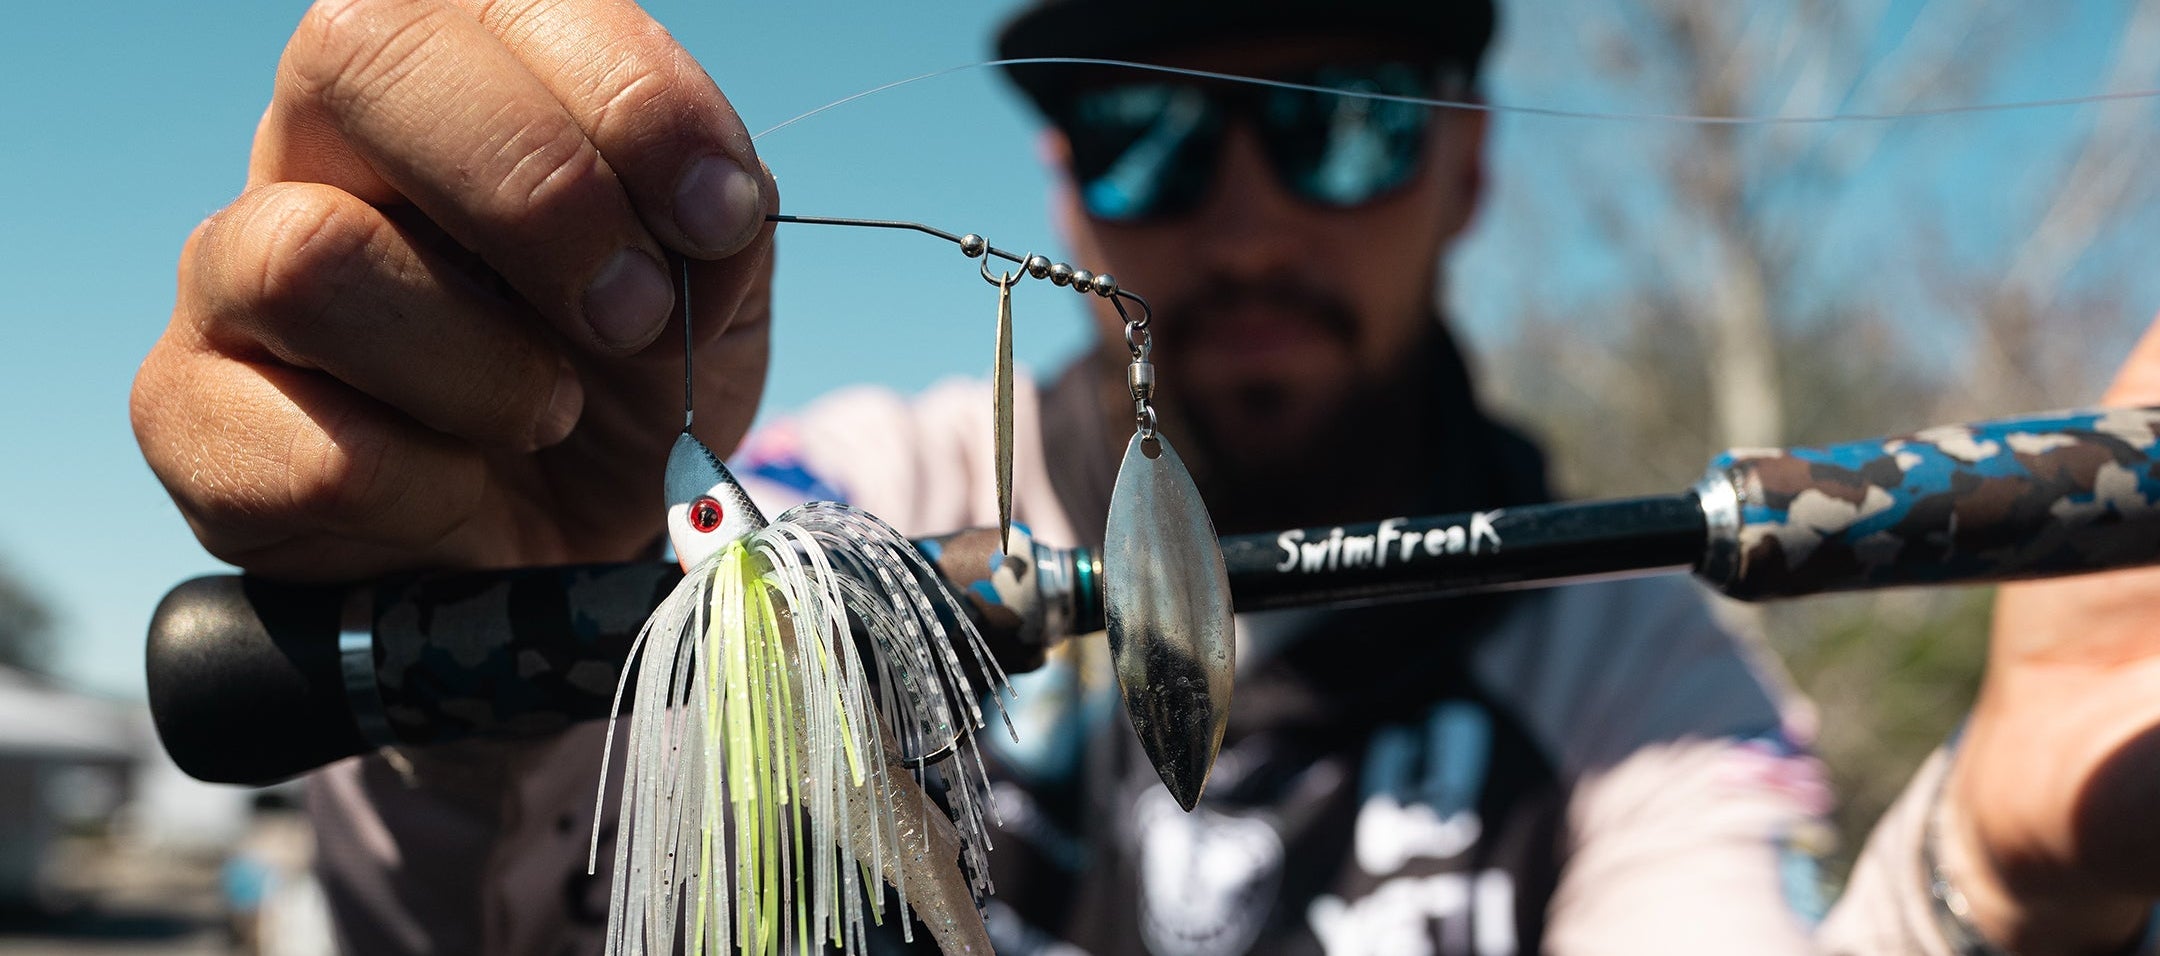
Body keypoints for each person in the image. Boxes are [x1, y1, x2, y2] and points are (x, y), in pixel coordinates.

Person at [128, 0, 2160, 952]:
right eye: (1150, 129)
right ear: (1061, 183)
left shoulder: (1645, 678)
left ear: (1465, 162)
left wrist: (1983, 884)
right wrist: (511, 713)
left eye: (1340, 120)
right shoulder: (834, 510)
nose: (1248, 218)